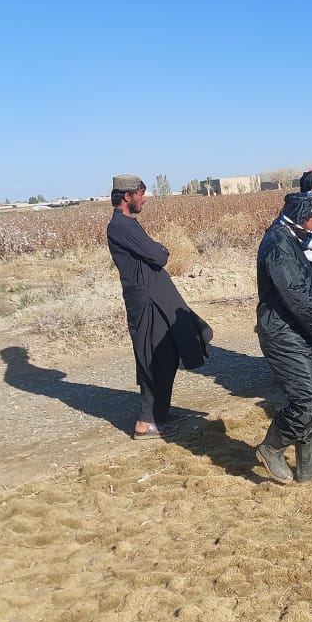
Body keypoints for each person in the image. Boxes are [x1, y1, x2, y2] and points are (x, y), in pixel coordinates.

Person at [106, 174, 212, 440]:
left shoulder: (129, 223)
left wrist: (157, 250)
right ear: (126, 196)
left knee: (168, 355)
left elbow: (155, 253)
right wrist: (160, 250)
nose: (144, 198)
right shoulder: (120, 226)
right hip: (146, 302)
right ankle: (145, 421)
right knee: (153, 358)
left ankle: (159, 414)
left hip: (156, 296)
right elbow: (159, 255)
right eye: (140, 193)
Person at [254, 191, 312, 483]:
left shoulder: (291, 239)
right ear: (299, 216)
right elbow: (295, 297)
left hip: (300, 329)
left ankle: (309, 466)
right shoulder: (278, 246)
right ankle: (271, 448)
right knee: (306, 399)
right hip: (283, 332)